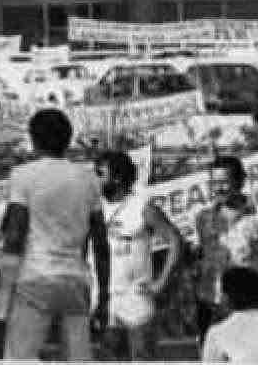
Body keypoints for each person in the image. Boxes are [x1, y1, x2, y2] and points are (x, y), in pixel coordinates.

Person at [0, 107, 108, 364]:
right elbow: (101, 243)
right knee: (78, 360)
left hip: (35, 277)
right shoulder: (88, 178)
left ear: (33, 139)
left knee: (20, 359)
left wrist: (3, 295)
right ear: (68, 140)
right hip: (76, 280)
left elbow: (14, 237)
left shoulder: (23, 175)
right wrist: (104, 296)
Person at [93, 150, 188, 363]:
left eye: (100, 174)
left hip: (136, 297)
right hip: (106, 300)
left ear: (117, 177)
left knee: (142, 358)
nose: (95, 179)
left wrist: (161, 283)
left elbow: (175, 242)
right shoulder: (94, 210)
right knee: (110, 359)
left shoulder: (142, 208)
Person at [187, 154, 258, 348]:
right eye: (214, 182)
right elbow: (197, 256)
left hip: (247, 305)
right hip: (210, 301)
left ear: (240, 181)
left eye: (224, 182)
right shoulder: (202, 218)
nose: (219, 188)